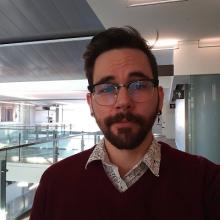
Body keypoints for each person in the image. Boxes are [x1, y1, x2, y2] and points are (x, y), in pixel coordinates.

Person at [30, 27, 220, 220]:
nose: (123, 102)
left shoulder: (207, 183)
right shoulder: (54, 183)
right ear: (90, 103)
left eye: (138, 85)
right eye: (106, 88)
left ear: (159, 98)